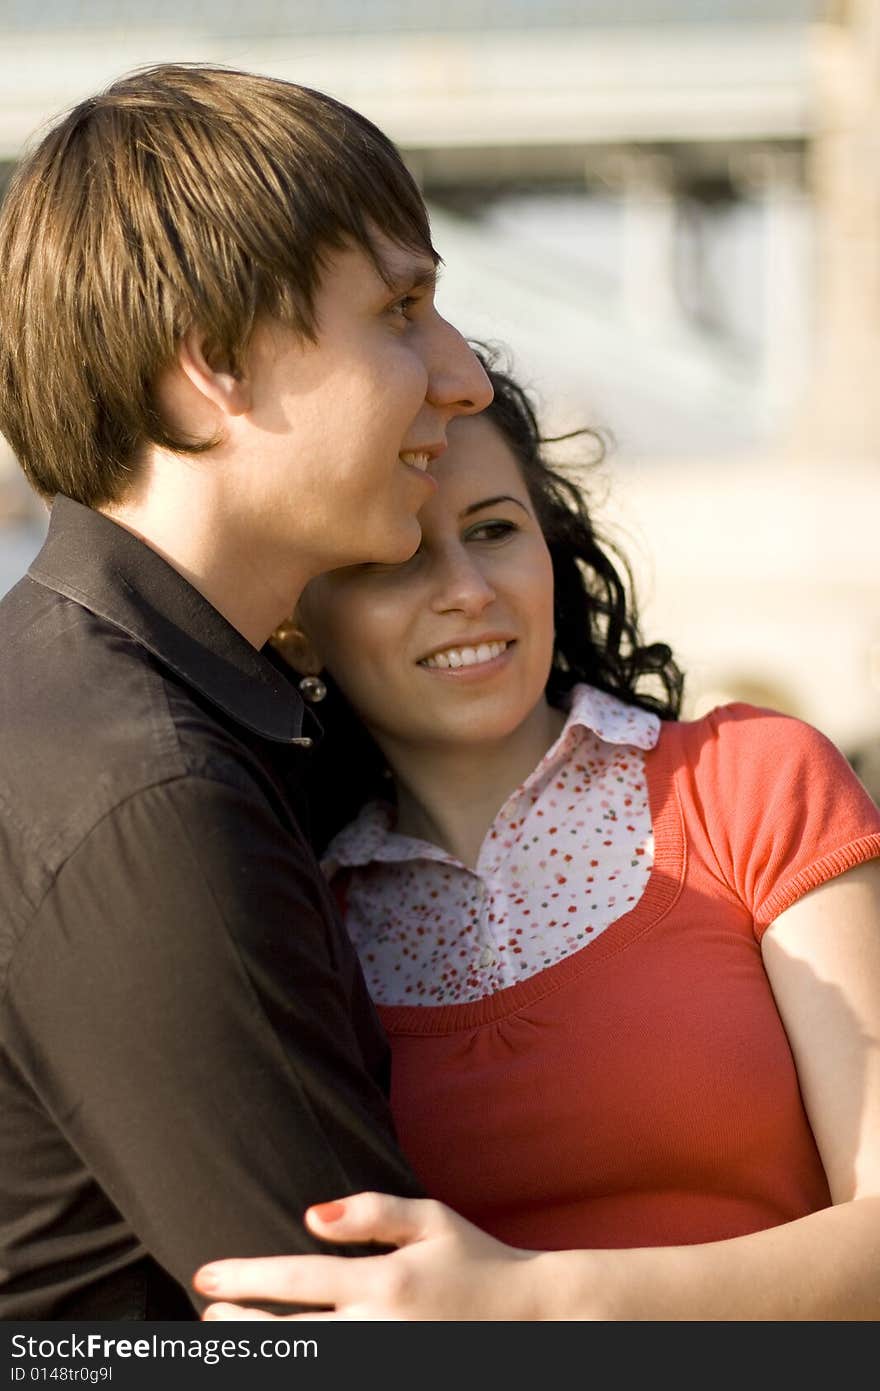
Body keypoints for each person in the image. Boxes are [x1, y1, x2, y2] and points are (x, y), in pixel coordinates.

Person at [194, 350, 880, 1320]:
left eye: (494, 530)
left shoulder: (754, 781)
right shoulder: (299, 916)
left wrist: (536, 1305)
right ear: (297, 624)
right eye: (393, 554)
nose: (468, 587)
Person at [0, 63, 492, 1319]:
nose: (463, 375)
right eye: (401, 308)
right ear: (212, 360)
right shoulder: (145, 782)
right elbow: (346, 1330)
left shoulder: (87, 699)